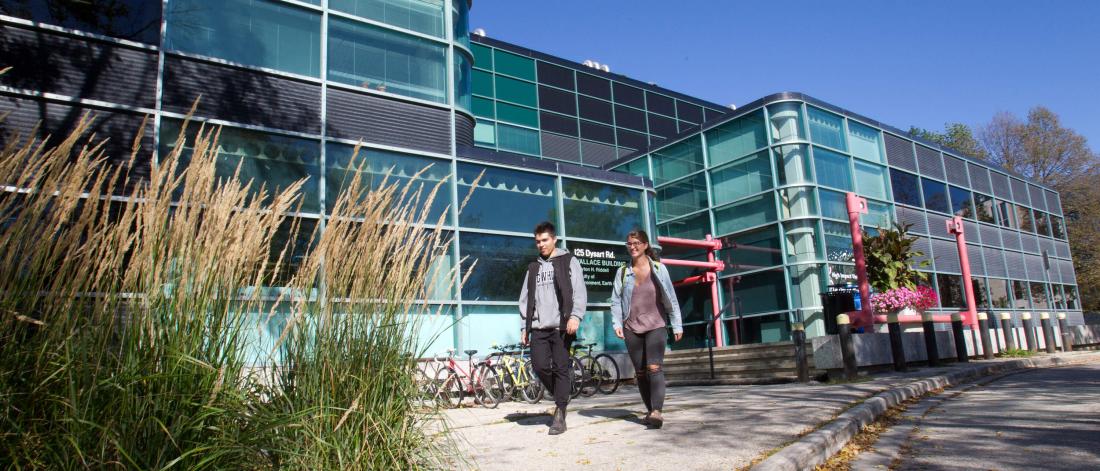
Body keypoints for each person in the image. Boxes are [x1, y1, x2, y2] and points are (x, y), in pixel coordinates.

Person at [518, 221, 587, 435]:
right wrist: (524, 326)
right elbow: (525, 300)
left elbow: (579, 291)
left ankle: (560, 414)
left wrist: (575, 316)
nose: (541, 244)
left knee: (560, 367)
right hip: (539, 327)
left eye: (545, 240)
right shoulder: (533, 268)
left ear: (554, 239)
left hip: (561, 326)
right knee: (539, 366)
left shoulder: (568, 260)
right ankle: (561, 397)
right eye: (537, 241)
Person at [611, 229, 682, 429]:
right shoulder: (623, 272)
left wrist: (677, 324)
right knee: (641, 372)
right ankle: (650, 410)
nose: (632, 247)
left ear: (645, 245)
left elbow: (671, 298)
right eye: (629, 244)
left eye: (636, 243)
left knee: (654, 367)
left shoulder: (659, 269)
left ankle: (657, 411)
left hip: (656, 325)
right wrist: (617, 323)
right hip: (631, 327)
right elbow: (615, 301)